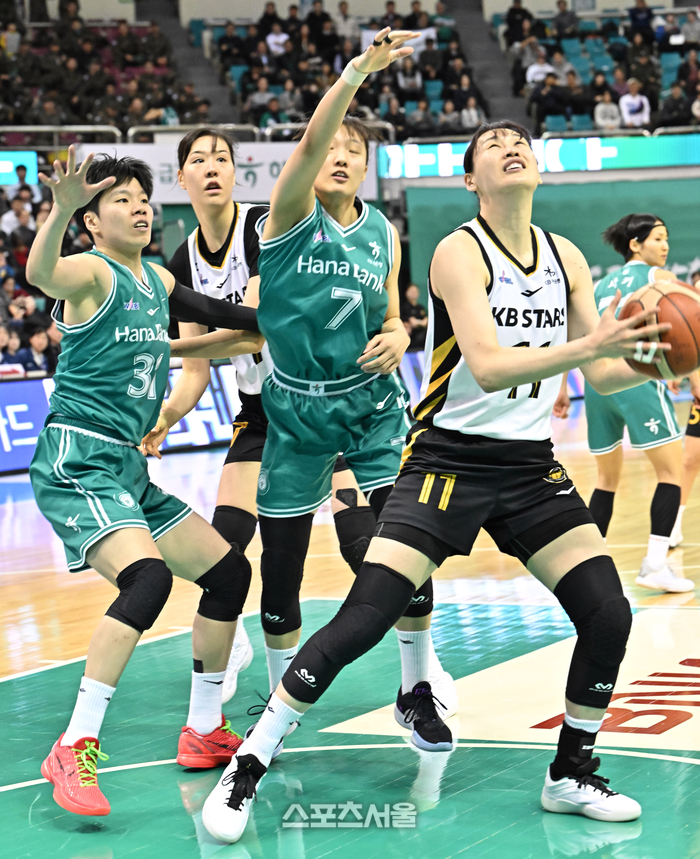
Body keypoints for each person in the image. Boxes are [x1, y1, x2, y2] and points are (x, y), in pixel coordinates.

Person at [199, 118, 672, 842]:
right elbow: (490, 365)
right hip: (448, 461)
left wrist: (661, 358)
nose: (512, 147)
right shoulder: (458, 250)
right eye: (493, 145)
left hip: (529, 465)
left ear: (537, 168)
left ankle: (571, 771)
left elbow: (604, 372)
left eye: (521, 142)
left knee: (609, 611)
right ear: (471, 179)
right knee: (365, 616)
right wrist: (592, 346)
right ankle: (250, 762)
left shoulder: (567, 256)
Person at [166, 30, 457, 724]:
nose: (339, 157)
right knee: (252, 558)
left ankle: (419, 677)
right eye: (198, 159)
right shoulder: (258, 228)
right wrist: (165, 407)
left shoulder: (339, 227)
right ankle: (257, 678)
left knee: (385, 547)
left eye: (354, 152)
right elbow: (211, 356)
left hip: (362, 407)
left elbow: (363, 318)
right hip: (277, 410)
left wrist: (399, 333)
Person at [26, 149, 262, 817]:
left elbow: (227, 315)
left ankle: (204, 726)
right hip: (80, 460)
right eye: (121, 200)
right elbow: (40, 272)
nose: (139, 208)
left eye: (142, 198)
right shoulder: (90, 271)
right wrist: (59, 210)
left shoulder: (155, 278)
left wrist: (284, 315)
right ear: (93, 220)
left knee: (229, 574)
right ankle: (75, 743)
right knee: (148, 580)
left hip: (129, 465)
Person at [584, 214, 693, 593]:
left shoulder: (599, 286)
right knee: (671, 473)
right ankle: (655, 564)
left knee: (606, 480)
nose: (665, 246)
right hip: (635, 378)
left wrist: (563, 389)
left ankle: (588, 568)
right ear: (635, 244)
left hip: (596, 386)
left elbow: (581, 338)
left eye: (667, 238)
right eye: (658, 238)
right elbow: (688, 326)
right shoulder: (659, 279)